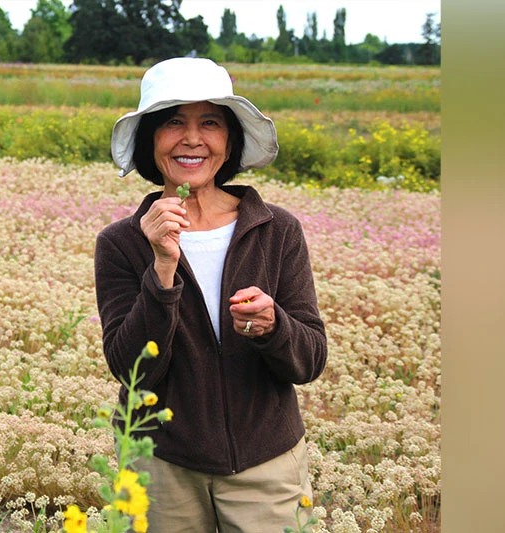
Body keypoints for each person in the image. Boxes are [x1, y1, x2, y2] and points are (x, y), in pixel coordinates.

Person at [94, 57, 327, 532]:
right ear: (150, 140)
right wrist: (161, 267)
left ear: (229, 140)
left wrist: (274, 327)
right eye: (173, 121)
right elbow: (130, 368)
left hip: (268, 465)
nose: (192, 139)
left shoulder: (276, 230)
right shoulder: (121, 242)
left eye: (210, 122)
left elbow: (310, 361)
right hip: (160, 466)